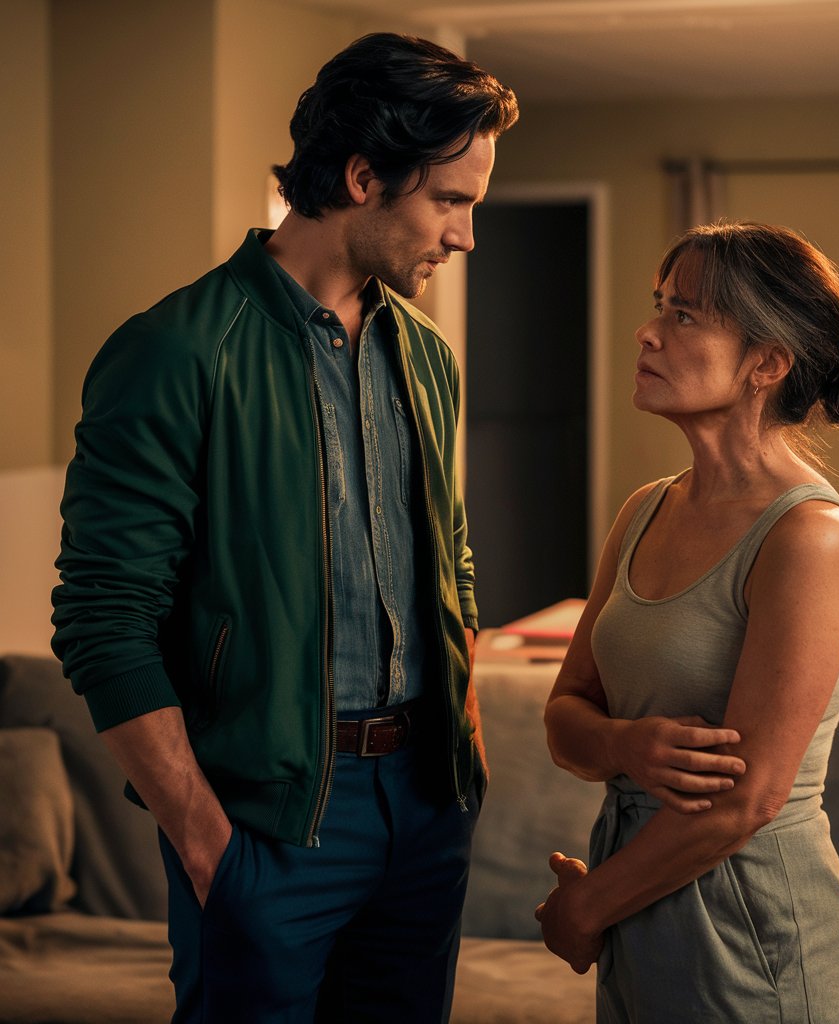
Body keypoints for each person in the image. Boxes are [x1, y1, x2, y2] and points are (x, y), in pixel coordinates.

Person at [51, 32, 517, 1023]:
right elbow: (103, 615)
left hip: (426, 810)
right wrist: (202, 836)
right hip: (267, 822)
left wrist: (460, 758)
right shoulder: (173, 352)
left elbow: (455, 568)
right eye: (452, 200)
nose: (466, 235)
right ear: (360, 177)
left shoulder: (427, 357)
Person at [535, 221, 839, 1023]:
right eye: (659, 306)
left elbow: (746, 799)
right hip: (639, 901)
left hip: (748, 922)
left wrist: (585, 908)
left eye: (685, 315)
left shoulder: (809, 537)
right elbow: (564, 717)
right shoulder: (644, 509)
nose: (647, 331)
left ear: (766, 363)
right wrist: (625, 744)